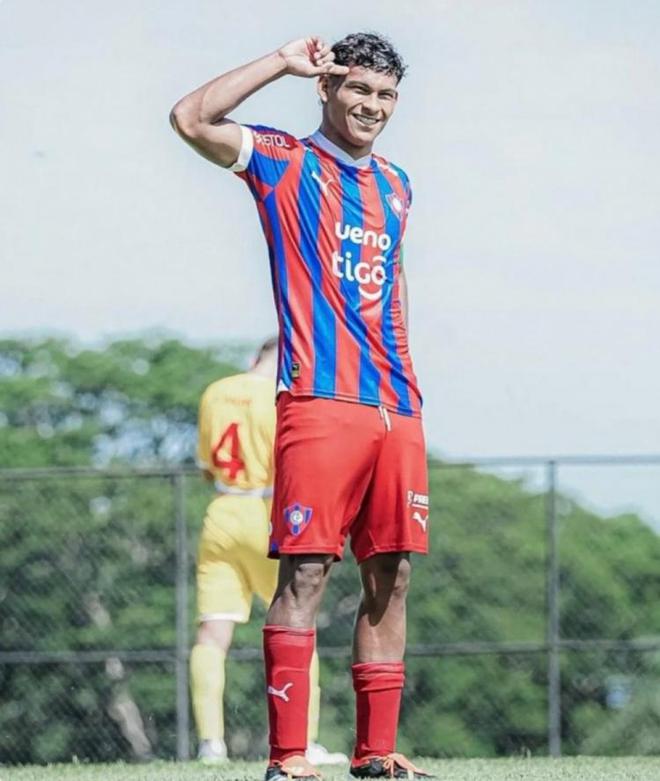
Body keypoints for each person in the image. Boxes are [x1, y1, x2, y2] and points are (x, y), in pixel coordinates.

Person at [172, 32, 432, 781]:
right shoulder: (284, 161)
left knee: (392, 576)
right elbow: (191, 117)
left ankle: (376, 754)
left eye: (385, 95)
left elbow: (395, 286)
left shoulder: (397, 184)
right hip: (319, 400)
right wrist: (279, 63)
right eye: (359, 90)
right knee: (307, 574)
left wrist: (410, 384)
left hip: (395, 406)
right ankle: (288, 757)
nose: (372, 106)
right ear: (327, 89)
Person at [192, 337, 347, 767]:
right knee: (297, 622)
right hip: (266, 511)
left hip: (221, 512)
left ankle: (210, 745)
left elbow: (205, 466)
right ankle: (305, 741)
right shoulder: (282, 399)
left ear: (253, 358)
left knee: (212, 633)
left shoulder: (216, 392)